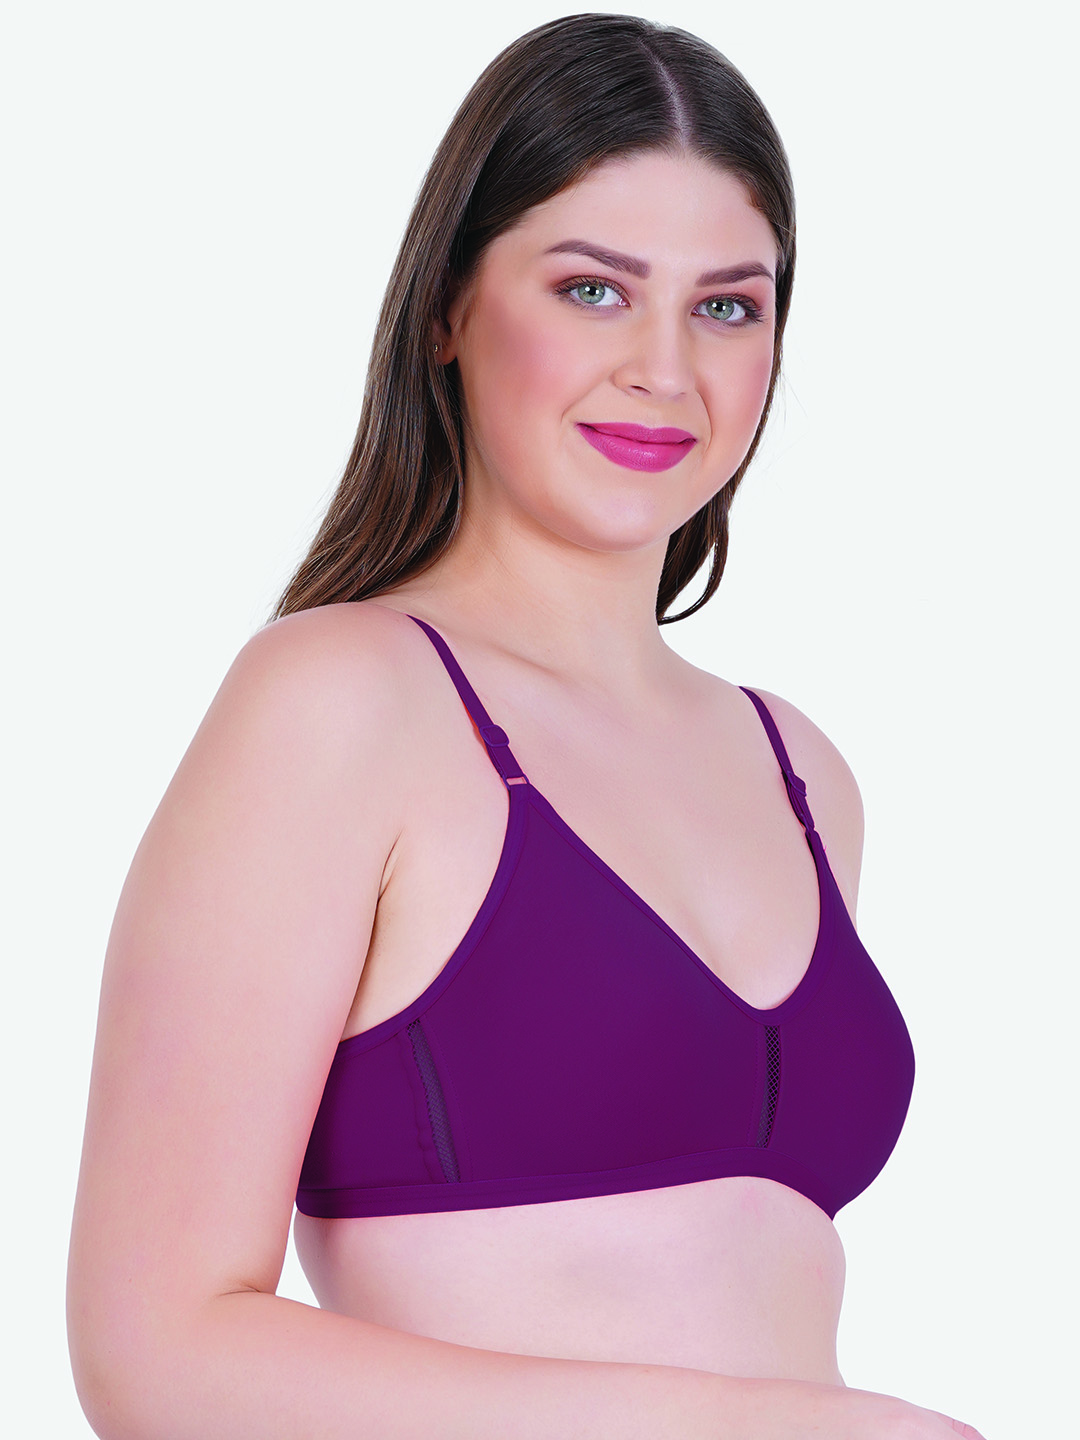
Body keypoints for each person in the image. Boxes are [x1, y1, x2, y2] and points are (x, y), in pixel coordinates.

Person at [66, 14, 986, 1439]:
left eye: (728, 307)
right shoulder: (343, 702)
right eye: (592, 290)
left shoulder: (802, 771)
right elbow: (155, 1351)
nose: (665, 370)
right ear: (448, 310)